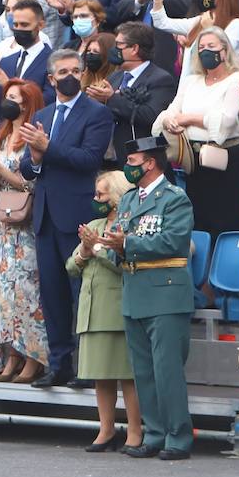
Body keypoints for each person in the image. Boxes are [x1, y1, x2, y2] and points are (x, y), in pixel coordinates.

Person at [20, 49, 115, 388]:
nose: (71, 75)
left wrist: (47, 147)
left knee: (81, 294)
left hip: (77, 216)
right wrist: (34, 156)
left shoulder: (97, 114)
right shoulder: (43, 113)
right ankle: (58, 364)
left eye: (76, 69)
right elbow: (27, 167)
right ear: (51, 79)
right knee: (52, 294)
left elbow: (89, 160)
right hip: (45, 215)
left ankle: (87, 368)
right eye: (64, 71)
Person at [104, 135, 194, 459]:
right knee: (143, 372)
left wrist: (126, 244)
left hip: (166, 293)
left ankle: (178, 438)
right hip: (135, 292)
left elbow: (173, 242)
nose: (127, 168)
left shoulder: (174, 198)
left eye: (132, 162)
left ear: (150, 162)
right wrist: (108, 244)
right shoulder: (129, 201)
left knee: (167, 370)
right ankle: (154, 434)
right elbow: (122, 242)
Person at [68, 170, 144, 452]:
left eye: (101, 194)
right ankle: (106, 429)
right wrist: (84, 252)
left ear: (115, 197)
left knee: (127, 376)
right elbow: (71, 266)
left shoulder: (129, 225)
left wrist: (97, 249)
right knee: (101, 375)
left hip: (115, 308)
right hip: (91, 309)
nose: (96, 199)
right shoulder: (95, 224)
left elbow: (124, 263)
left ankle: (135, 431)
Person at [0, 79, 47, 383]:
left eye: (15, 99)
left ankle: (34, 358)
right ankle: (12, 357)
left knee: (27, 291)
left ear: (28, 103)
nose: (9, 103)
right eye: (6, 97)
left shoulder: (32, 136)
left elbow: (33, 183)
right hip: (3, 225)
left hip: (26, 224)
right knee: (4, 293)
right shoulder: (2, 135)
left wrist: (3, 171)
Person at [152, 27, 239, 238]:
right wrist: (170, 120)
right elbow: (172, 109)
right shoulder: (190, 81)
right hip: (193, 160)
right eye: (201, 47)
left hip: (226, 159)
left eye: (211, 47)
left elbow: (226, 121)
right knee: (198, 217)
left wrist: (190, 118)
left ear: (224, 51)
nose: (206, 51)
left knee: (225, 218)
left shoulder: (236, 80)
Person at [101, 22, 177, 167]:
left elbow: (151, 116)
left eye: (119, 45)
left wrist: (113, 98)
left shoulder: (160, 79)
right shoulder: (115, 76)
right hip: (109, 158)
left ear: (135, 48)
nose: (114, 49)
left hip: (141, 162)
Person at [151, 0, 239, 69]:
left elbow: (224, 55)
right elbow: (161, 23)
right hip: (191, 82)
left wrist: (209, 29)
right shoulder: (199, 21)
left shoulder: (236, 24)